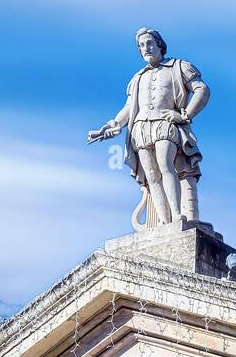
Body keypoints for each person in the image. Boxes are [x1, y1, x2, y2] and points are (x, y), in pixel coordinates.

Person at [87, 28, 210, 229]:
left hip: (165, 124)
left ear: (159, 45)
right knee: (152, 176)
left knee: (165, 166)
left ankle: (178, 216)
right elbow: (129, 108)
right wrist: (112, 126)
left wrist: (185, 114)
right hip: (140, 129)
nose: (146, 48)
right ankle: (163, 221)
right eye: (142, 45)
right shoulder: (137, 78)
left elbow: (202, 90)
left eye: (150, 43)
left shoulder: (178, 66)